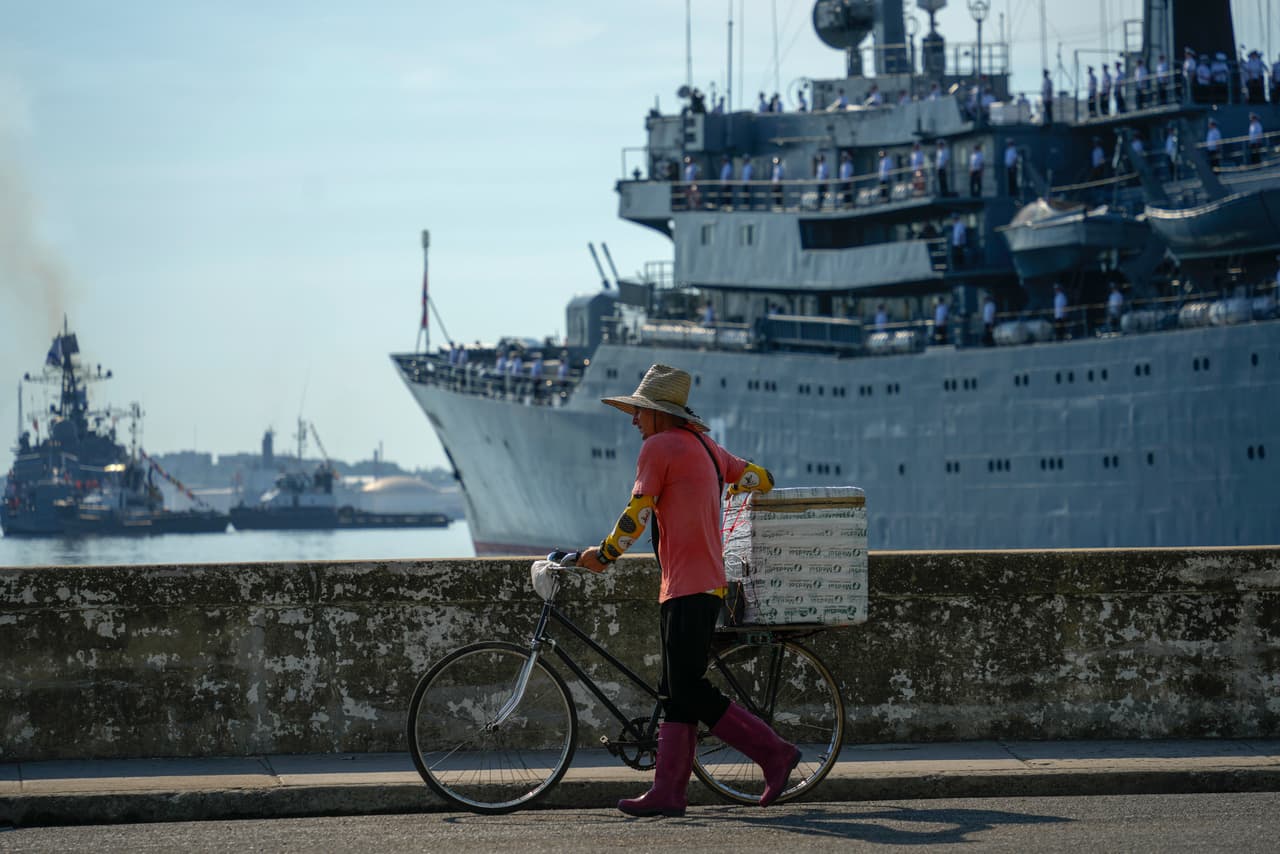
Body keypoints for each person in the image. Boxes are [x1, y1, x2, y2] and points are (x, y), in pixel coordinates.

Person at [577, 364, 793, 818]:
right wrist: (726, 489)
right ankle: (668, 792)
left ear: (660, 415)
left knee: (689, 687)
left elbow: (638, 511)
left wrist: (604, 554)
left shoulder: (659, 448)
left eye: (640, 412)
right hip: (703, 583)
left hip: (687, 586)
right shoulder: (708, 448)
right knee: (673, 691)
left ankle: (773, 754)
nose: (635, 420)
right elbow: (761, 478)